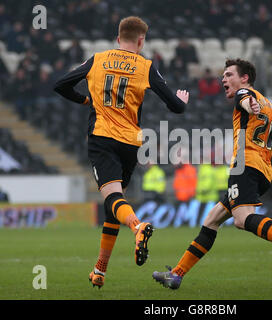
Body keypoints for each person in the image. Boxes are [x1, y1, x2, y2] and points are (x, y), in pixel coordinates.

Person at [152, 58, 272, 289]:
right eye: (223, 75)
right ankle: (177, 274)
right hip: (263, 171)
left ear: (245, 78)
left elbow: (245, 99)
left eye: (229, 74)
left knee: (241, 220)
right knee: (212, 220)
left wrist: (247, 104)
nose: (224, 79)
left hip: (245, 167)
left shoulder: (245, 93)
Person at [54, 16, 189, 289]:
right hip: (130, 142)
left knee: (113, 198)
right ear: (141, 41)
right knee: (113, 205)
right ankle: (100, 270)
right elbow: (175, 106)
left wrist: (85, 99)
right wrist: (182, 100)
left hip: (102, 137)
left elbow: (60, 85)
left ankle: (137, 226)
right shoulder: (146, 66)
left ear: (118, 38)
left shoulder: (97, 59)